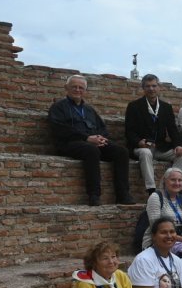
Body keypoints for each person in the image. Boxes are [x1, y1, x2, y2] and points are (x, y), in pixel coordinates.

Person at [47, 74, 132, 206]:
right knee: (91, 150)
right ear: (66, 88)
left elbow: (102, 127)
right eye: (74, 87)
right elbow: (60, 129)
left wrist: (101, 138)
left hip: (93, 142)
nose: (77, 90)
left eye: (81, 88)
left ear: (85, 91)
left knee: (121, 152)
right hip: (70, 144)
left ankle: (123, 195)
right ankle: (94, 195)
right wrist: (86, 138)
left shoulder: (89, 110)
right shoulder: (58, 107)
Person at [124, 73, 182, 195]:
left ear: (159, 87)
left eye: (154, 86)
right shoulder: (133, 106)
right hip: (141, 147)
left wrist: (178, 145)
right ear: (143, 88)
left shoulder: (166, 107)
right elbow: (129, 131)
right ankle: (152, 190)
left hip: (160, 148)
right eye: (148, 86)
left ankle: (173, 186)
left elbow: (173, 130)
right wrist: (139, 142)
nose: (151, 89)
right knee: (146, 153)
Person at [141, 167, 182, 252]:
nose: (177, 183)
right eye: (173, 180)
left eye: (180, 180)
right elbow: (157, 228)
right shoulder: (156, 197)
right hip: (160, 240)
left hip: (180, 240)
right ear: (165, 181)